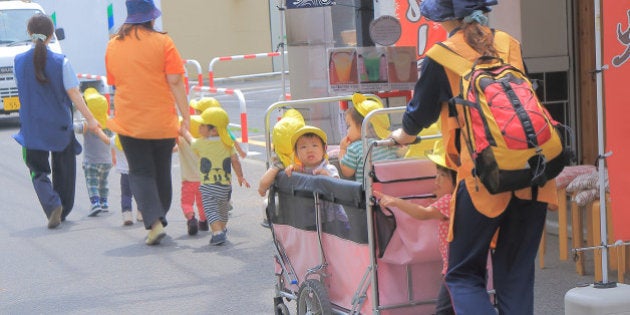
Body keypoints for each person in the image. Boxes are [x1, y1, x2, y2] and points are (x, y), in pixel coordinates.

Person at [389, 1, 558, 314]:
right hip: (534, 172)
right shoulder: (510, 44)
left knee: (463, 273)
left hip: (484, 178)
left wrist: (400, 136)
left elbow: (416, 119)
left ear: (443, 17)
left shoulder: (442, 56)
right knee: (516, 275)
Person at [105, 0, 190, 245]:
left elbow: (115, 81)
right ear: (152, 18)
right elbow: (175, 81)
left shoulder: (113, 45)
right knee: (162, 169)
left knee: (140, 171)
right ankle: (158, 215)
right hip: (162, 121)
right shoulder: (164, 42)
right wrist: (186, 116)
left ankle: (154, 222)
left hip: (129, 121)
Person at [13, 13, 100, 229]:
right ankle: (63, 207)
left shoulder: (18, 61)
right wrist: (91, 119)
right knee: (65, 168)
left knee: (37, 169)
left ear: (29, 34)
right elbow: (75, 94)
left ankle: (52, 205)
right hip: (60, 126)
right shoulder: (62, 62)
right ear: (52, 35)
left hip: (32, 128)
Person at [373, 140, 456, 315]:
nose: (437, 180)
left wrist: (396, 202)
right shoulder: (459, 200)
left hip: (454, 270)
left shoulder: (449, 201)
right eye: (437, 174)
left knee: (443, 310)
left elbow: (423, 214)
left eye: (443, 176)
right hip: (463, 267)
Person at [181, 107, 250, 246]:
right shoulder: (227, 143)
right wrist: (240, 176)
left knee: (210, 209)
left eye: (202, 126)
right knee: (223, 210)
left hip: (208, 185)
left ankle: (217, 233)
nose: (199, 128)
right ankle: (222, 228)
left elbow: (190, 140)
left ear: (213, 130)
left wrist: (183, 131)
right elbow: (235, 160)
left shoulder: (201, 143)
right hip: (225, 186)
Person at [284, 125, 350, 232]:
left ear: (324, 149)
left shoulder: (329, 168)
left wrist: (327, 178)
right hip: (310, 221)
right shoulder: (300, 171)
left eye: (315, 145)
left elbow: (338, 187)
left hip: (334, 221)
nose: (310, 150)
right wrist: (290, 169)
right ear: (296, 153)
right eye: (303, 147)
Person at [338, 93, 399, 184]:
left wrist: (342, 149)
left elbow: (347, 172)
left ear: (364, 126)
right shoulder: (390, 142)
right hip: (394, 188)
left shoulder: (356, 148)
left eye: (348, 126)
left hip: (370, 195)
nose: (347, 130)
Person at [74, 88, 113, 217]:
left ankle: (95, 203)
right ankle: (104, 202)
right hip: (107, 162)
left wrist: (72, 120)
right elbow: (113, 141)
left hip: (91, 161)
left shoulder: (88, 124)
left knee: (92, 183)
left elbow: (77, 129)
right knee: (103, 182)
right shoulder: (109, 123)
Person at [175, 114, 208, 235]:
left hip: (188, 180)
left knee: (186, 203)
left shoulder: (182, 141)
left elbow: (174, 140)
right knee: (202, 202)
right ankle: (203, 222)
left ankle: (191, 219)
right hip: (204, 180)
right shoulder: (204, 142)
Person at [110, 134, 142, 225]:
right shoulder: (136, 136)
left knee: (126, 195)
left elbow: (108, 142)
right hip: (137, 171)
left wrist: (97, 131)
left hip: (125, 173)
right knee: (140, 193)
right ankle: (141, 213)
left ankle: (127, 215)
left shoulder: (115, 139)